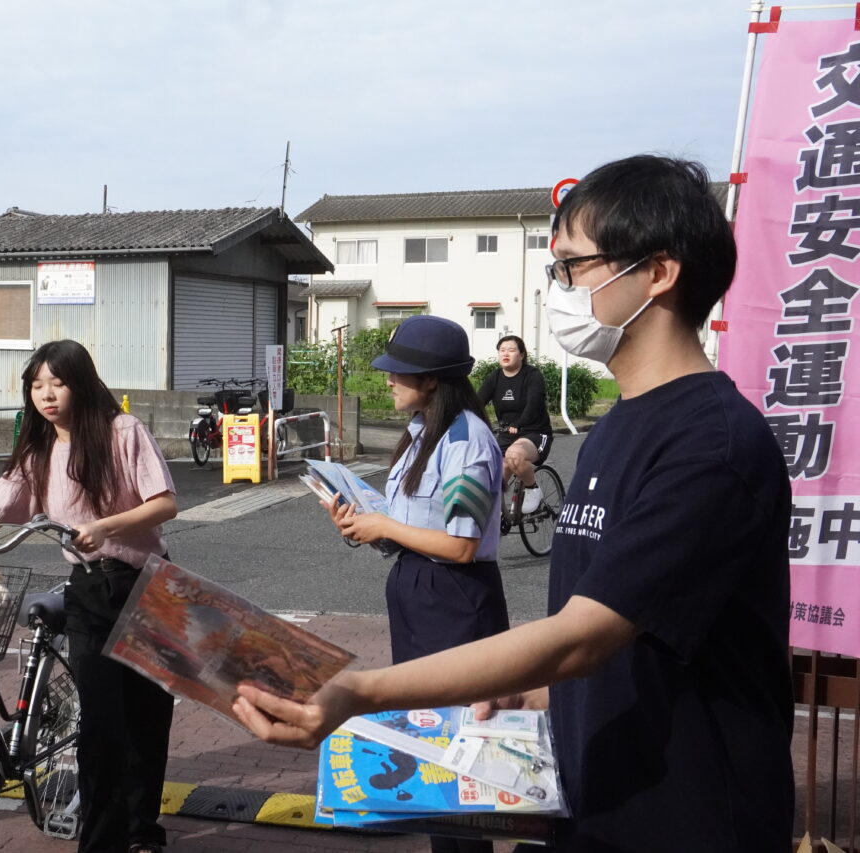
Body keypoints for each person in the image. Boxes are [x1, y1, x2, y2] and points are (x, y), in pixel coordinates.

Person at [233, 155, 793, 852]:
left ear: (658, 271)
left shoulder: (710, 445)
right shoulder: (616, 429)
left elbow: (583, 633)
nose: (558, 288)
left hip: (689, 818)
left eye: (571, 267)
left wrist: (360, 692)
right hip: (602, 799)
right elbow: (636, 634)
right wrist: (540, 696)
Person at [0, 339, 178, 853]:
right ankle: (102, 843)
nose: (46, 394)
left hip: (147, 585)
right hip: (89, 590)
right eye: (36, 385)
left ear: (80, 383)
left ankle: (142, 830)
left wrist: (103, 526)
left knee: (147, 716)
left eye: (56, 383)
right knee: (101, 725)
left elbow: (165, 504)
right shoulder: (38, 446)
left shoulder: (122, 431)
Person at [325, 315, 506, 853]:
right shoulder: (422, 430)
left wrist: (383, 526)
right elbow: (413, 527)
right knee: (429, 742)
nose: (388, 381)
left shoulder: (468, 440)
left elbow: (461, 544)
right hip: (416, 589)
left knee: (459, 748)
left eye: (399, 373)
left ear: (433, 379)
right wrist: (365, 526)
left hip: (455, 598)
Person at [476, 335, 553, 514]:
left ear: (522, 355)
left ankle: (533, 489)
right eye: (502, 350)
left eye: (511, 350)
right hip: (507, 433)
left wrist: (519, 423)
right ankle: (498, 517)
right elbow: (477, 402)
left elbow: (534, 404)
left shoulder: (532, 375)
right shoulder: (495, 377)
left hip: (534, 432)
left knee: (515, 455)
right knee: (490, 477)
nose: (506, 354)